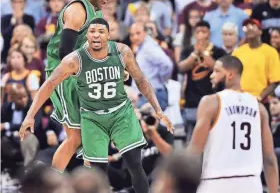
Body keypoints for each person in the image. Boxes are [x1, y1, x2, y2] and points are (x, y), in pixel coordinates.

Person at [19, 18, 174, 193]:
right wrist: (30, 115)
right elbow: (48, 85)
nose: (96, 35)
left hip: (120, 113)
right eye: (92, 31)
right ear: (87, 35)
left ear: (109, 35)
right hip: (93, 117)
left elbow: (141, 80)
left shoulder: (122, 52)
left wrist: (158, 110)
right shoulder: (74, 60)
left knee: (135, 165)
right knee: (98, 173)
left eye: (101, 31)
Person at [20, 0, 114, 174]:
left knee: (91, 132)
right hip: (63, 74)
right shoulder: (77, 11)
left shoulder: (94, 12)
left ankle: (88, 180)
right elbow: (65, 54)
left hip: (77, 72)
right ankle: (51, 181)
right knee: (75, 137)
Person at [187, 55, 279, 193]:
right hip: (251, 184)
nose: (212, 75)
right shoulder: (259, 108)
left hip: (216, 183)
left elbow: (194, 152)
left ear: (230, 74)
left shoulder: (211, 102)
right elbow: (269, 158)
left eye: (217, 71)